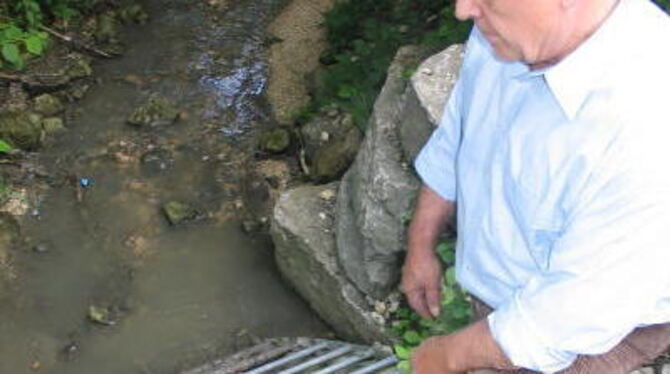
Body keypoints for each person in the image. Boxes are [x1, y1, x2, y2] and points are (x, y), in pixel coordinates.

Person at [401, 0, 670, 372]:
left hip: (592, 338)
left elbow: (566, 315)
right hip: (505, 302)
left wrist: (446, 355)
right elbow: (459, 135)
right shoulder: (505, 30)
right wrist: (420, 244)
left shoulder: (650, 131)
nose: (463, 10)